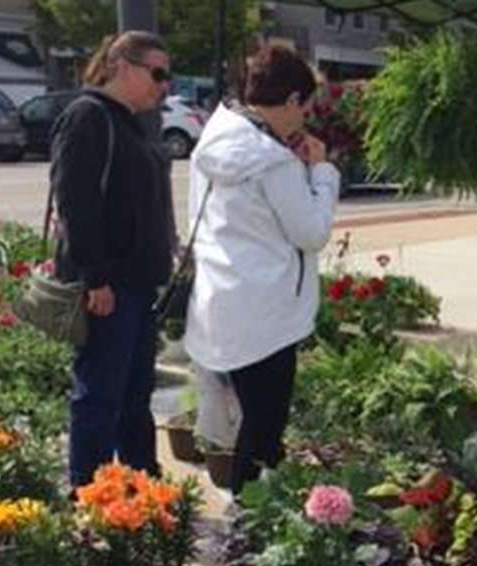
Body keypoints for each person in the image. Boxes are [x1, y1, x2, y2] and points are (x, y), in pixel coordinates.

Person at [185, 46, 341, 494]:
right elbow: (311, 232)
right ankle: (247, 523)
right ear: (291, 100)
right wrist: (323, 173)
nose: (304, 120)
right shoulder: (274, 161)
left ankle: (257, 512)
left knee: (256, 424)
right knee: (264, 430)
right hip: (268, 312)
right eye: (305, 108)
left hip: (222, 302)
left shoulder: (213, 142)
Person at [52, 32, 175, 487]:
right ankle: (90, 494)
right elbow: (76, 204)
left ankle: (142, 486)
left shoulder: (126, 122)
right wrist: (96, 277)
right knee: (99, 395)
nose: (163, 85)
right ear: (122, 64)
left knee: (135, 394)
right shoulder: (88, 117)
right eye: (157, 73)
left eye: (168, 76)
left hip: (136, 284)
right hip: (109, 285)